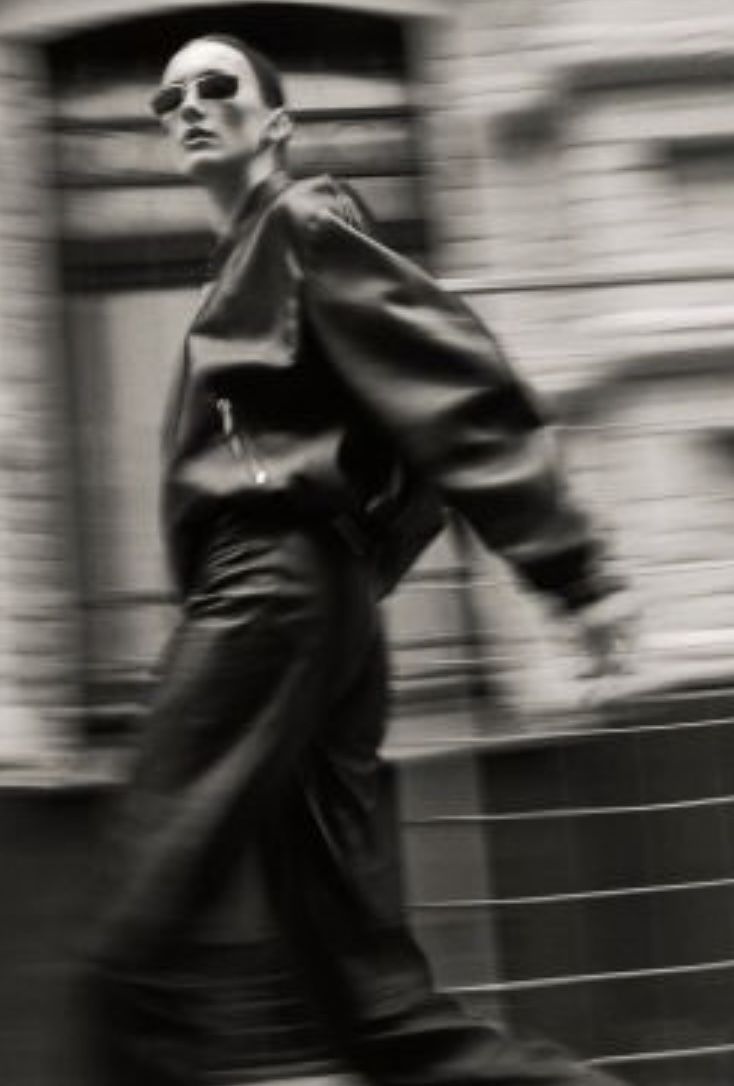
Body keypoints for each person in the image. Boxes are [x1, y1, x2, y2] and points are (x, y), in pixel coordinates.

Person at [84, 31, 634, 1086]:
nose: (186, 104)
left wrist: (571, 571)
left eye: (214, 86)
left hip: (268, 596)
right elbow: (412, 440)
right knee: (372, 1008)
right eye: (166, 97)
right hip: (316, 611)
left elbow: (448, 379)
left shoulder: (297, 226)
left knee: (131, 933)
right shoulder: (251, 262)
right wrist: (351, 578)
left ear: (275, 123)